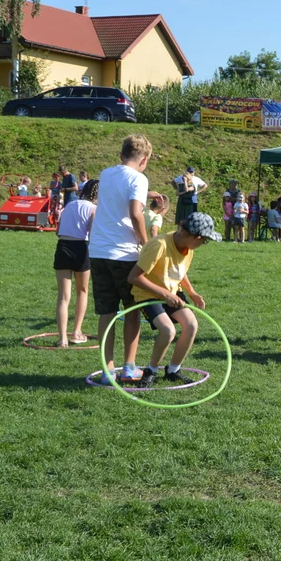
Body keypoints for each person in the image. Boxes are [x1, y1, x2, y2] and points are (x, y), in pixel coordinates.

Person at [88, 134, 164, 385]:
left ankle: (108, 370)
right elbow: (135, 214)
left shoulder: (106, 173)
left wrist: (146, 191)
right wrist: (146, 243)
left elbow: (118, 194)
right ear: (144, 159)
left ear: (121, 155)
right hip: (124, 253)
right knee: (132, 310)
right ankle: (129, 367)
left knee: (106, 312)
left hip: (98, 252)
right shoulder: (138, 178)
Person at [127, 212, 216, 387]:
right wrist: (165, 294)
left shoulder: (188, 249)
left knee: (191, 325)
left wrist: (191, 292)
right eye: (204, 240)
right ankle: (151, 370)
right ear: (195, 237)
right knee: (168, 331)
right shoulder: (159, 245)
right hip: (148, 294)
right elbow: (134, 277)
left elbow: (179, 271)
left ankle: (173, 370)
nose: (203, 244)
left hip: (172, 292)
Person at [54, 179, 99, 348]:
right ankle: (76, 332)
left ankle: (62, 338)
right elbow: (94, 234)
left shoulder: (69, 205)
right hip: (81, 247)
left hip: (63, 247)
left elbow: (58, 231)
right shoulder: (94, 209)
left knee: (63, 296)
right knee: (82, 291)